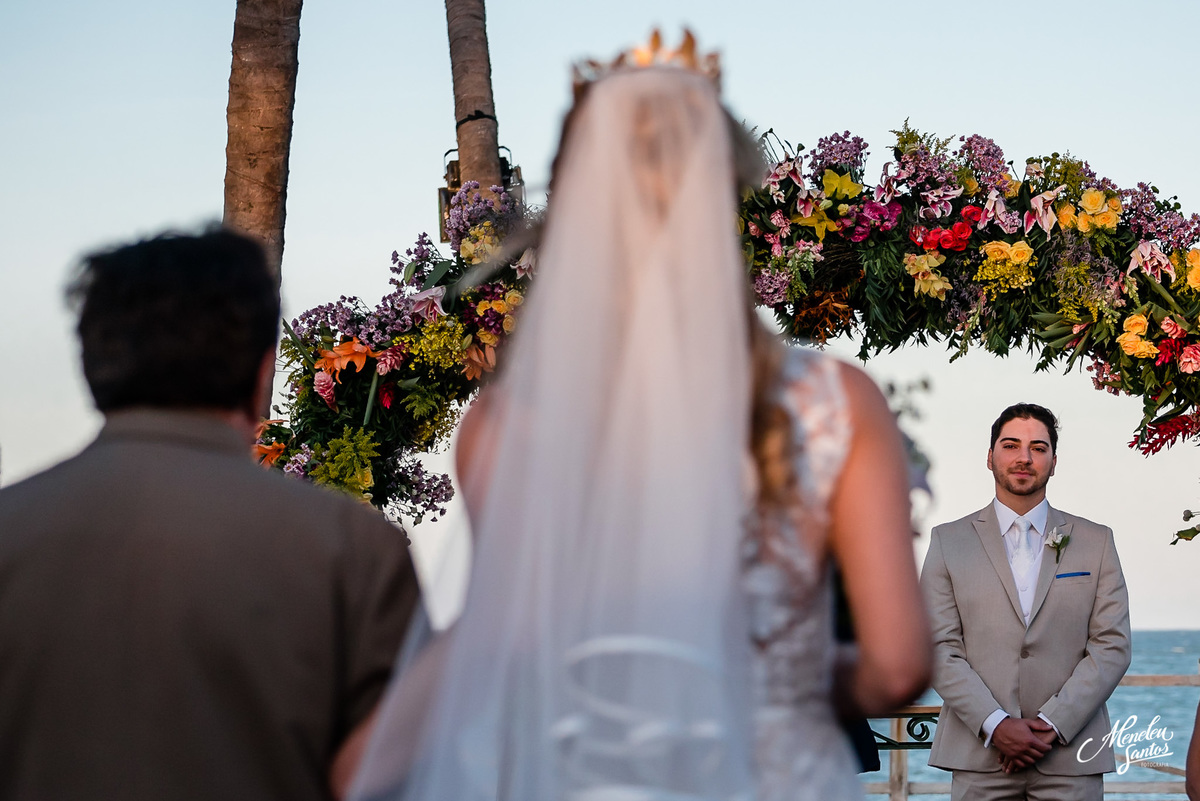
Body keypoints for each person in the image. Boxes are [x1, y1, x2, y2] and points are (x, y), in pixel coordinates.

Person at [348, 35, 930, 801]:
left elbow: (507, 640)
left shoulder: (508, 423)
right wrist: (777, 681)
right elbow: (898, 666)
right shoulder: (831, 401)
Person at [0, 229, 421, 801]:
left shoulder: (12, 527)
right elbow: (398, 777)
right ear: (262, 369)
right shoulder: (352, 548)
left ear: (93, 361)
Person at [921, 403, 1132, 801]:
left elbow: (1112, 646)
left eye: (1038, 448)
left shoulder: (1096, 541)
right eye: (1011, 445)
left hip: (1070, 757)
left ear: (1054, 462)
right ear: (990, 457)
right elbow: (937, 647)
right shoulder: (948, 542)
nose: (1024, 458)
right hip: (980, 757)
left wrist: (1052, 724)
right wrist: (996, 724)